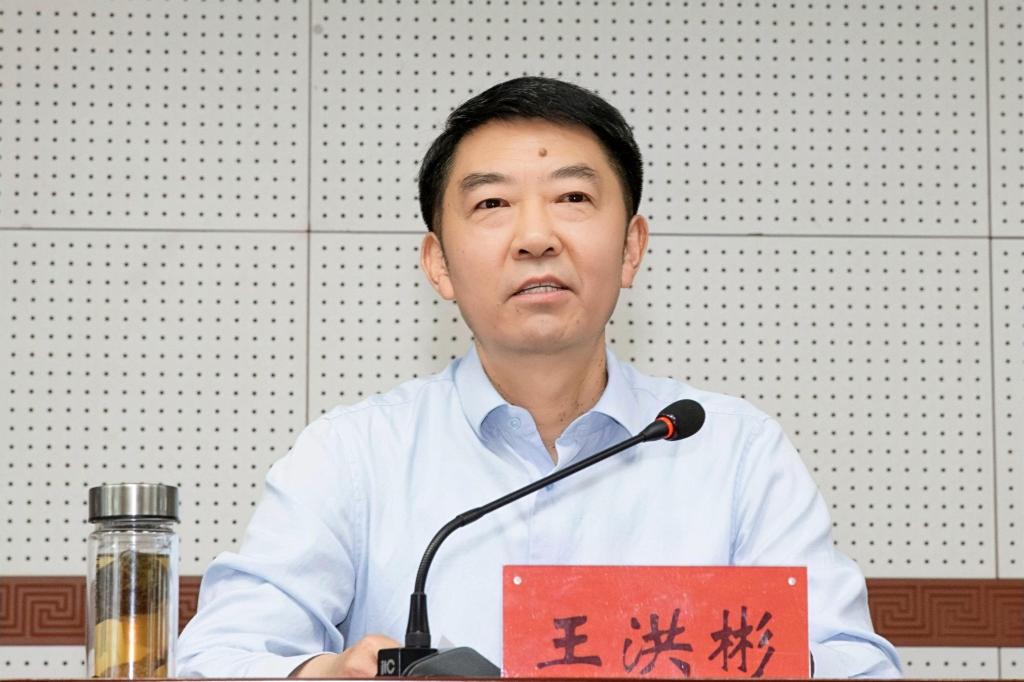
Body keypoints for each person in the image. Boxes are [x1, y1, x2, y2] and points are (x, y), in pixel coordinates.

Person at [176, 77, 902, 679]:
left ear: (631, 248)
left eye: (573, 199)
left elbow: (857, 664)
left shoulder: (733, 451)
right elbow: (216, 657)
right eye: (492, 204)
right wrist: (325, 674)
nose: (535, 237)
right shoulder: (355, 453)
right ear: (438, 264)